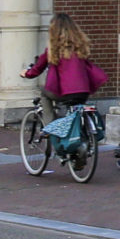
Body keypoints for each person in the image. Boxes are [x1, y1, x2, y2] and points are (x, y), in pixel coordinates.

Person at [22, 15, 105, 152]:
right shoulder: (80, 46)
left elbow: (38, 68)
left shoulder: (54, 50)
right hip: (83, 91)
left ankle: (50, 129)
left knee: (45, 93)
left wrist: (26, 73)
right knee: (72, 109)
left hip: (65, 93)